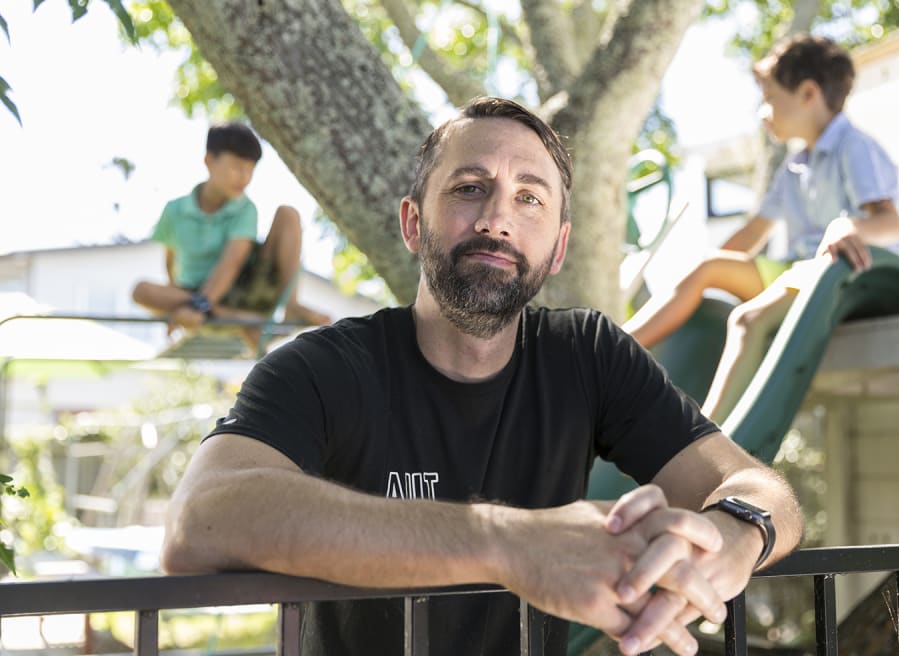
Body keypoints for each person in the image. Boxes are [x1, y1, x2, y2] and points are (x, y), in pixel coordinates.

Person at [160, 97, 802, 656]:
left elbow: (755, 485)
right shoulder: (325, 366)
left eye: (529, 198)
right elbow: (198, 521)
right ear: (413, 223)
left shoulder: (587, 354)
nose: (497, 218)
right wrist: (508, 543)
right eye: (470, 188)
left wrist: (736, 534)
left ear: (557, 248)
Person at [623, 35, 899, 424]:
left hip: (851, 276)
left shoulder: (853, 147)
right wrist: (712, 273)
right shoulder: (795, 167)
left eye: (770, 98)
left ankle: (705, 440)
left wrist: (847, 225)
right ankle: (614, 349)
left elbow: (889, 223)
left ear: (808, 93)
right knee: (708, 267)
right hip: (802, 270)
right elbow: (751, 234)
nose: (763, 111)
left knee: (747, 320)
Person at [131, 122, 331, 349]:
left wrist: (196, 307)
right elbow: (170, 262)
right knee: (141, 290)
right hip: (195, 295)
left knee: (288, 214)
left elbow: (232, 263)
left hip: (242, 289)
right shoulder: (174, 210)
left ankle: (291, 304)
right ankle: (227, 315)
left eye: (250, 170)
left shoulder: (245, 209)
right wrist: (182, 302)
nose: (244, 177)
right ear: (209, 161)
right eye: (237, 167)